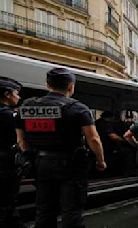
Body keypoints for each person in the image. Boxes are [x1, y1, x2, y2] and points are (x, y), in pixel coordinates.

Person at [16, 68, 107, 228]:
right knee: (71, 211)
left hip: (41, 164)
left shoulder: (28, 106)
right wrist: (101, 161)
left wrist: (32, 158)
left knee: (44, 210)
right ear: (71, 86)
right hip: (70, 165)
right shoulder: (78, 108)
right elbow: (93, 138)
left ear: (47, 85)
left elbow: (21, 140)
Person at [0, 77, 26, 228]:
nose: (19, 96)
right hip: (6, 166)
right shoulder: (10, 116)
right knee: (6, 203)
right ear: (7, 94)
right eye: (16, 93)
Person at [95, 111, 125, 176]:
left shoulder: (96, 122)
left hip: (96, 145)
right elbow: (112, 136)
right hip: (106, 146)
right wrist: (123, 140)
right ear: (110, 117)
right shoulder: (106, 124)